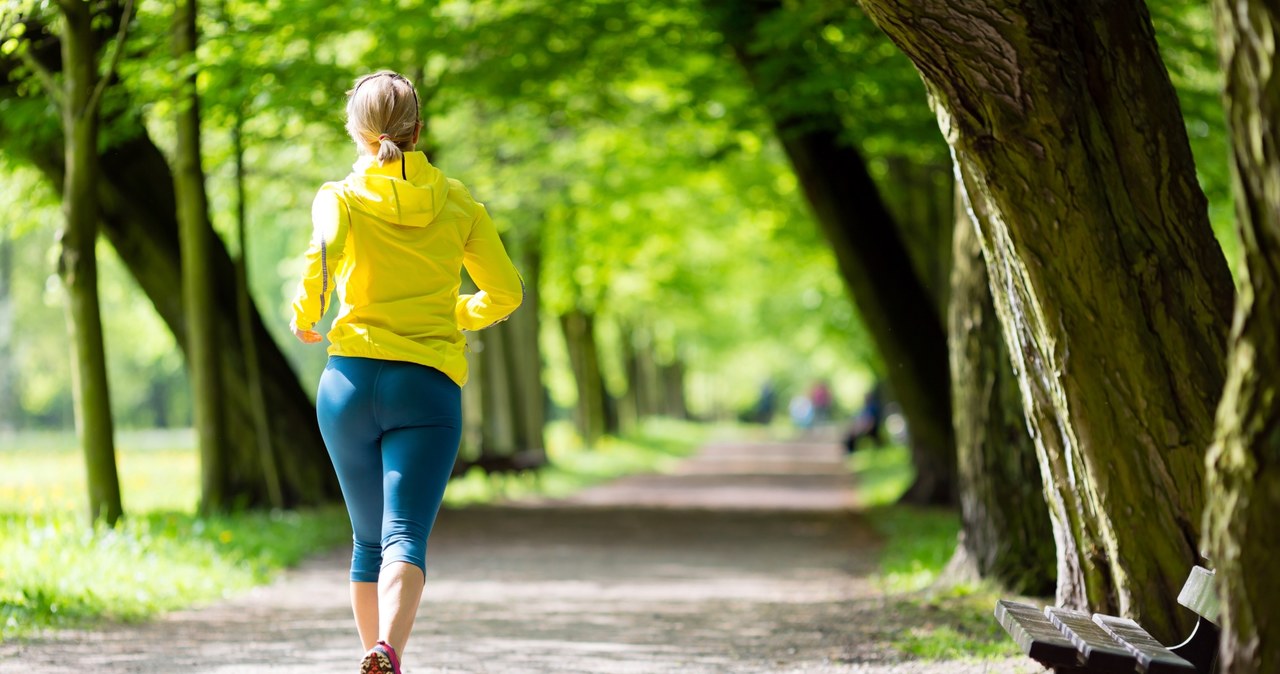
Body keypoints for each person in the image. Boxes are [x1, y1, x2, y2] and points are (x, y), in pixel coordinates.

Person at [289, 70, 523, 674]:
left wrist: (308, 317)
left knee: (367, 540)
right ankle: (387, 652)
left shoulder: (337, 197)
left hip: (349, 385)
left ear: (355, 131)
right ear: (418, 129)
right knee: (404, 537)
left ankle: (374, 656)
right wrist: (455, 311)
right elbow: (506, 293)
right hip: (426, 386)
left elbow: (319, 266)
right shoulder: (458, 203)